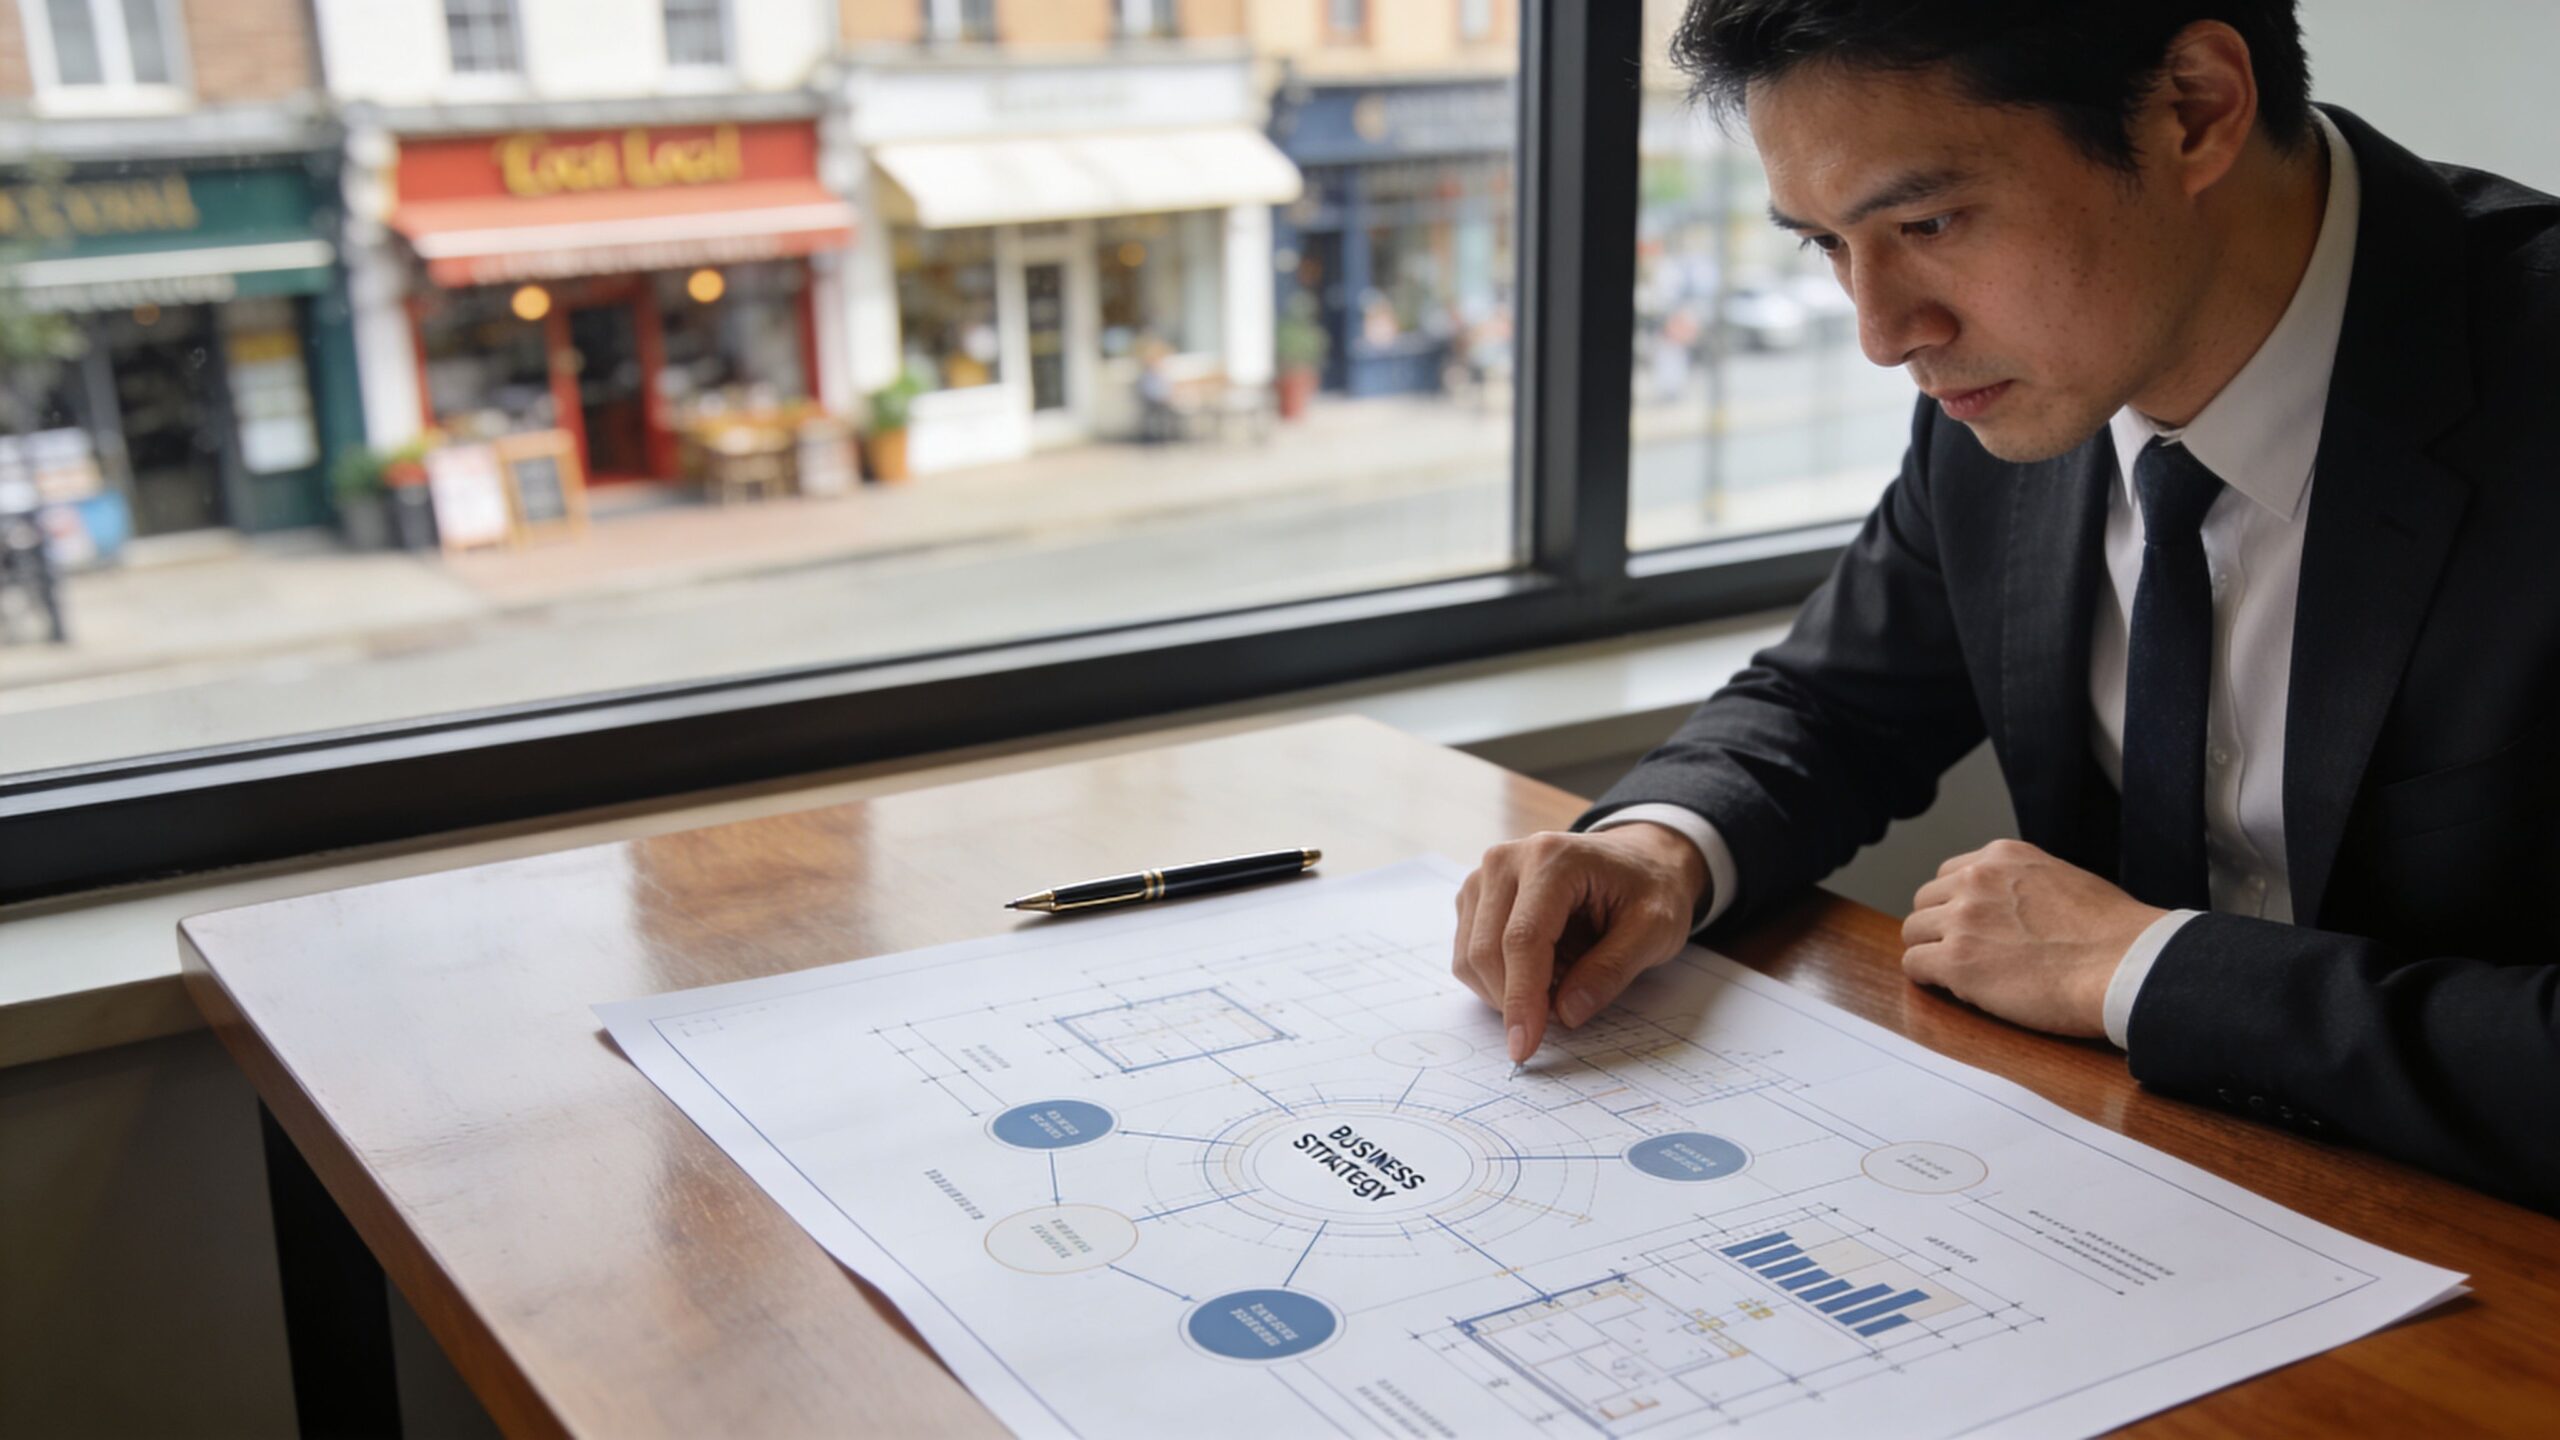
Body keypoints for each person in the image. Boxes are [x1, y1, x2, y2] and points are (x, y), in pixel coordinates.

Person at [1453, 0, 2560, 1213]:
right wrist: (1657, 848)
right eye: (1825, 243)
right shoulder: (2026, 372)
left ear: (2192, 108)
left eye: (1929, 221)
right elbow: (1837, 701)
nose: (1883, 335)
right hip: (2123, 1186)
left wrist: (2143, 967)